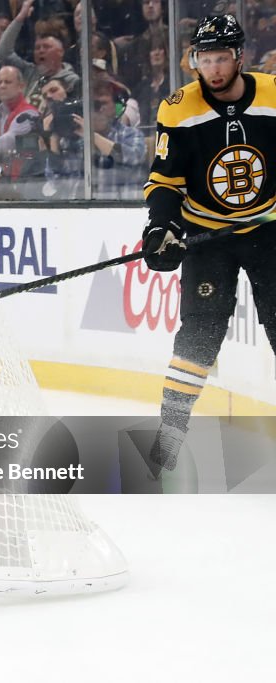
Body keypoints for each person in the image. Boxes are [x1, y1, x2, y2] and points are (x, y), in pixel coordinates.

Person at [141, 15, 276, 473]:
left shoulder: (275, 94)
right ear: (195, 60)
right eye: (205, 59)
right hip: (206, 236)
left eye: (222, 58)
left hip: (268, 233)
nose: (214, 69)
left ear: (239, 57)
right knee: (199, 335)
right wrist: (161, 228)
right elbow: (163, 180)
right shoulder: (178, 108)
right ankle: (171, 432)